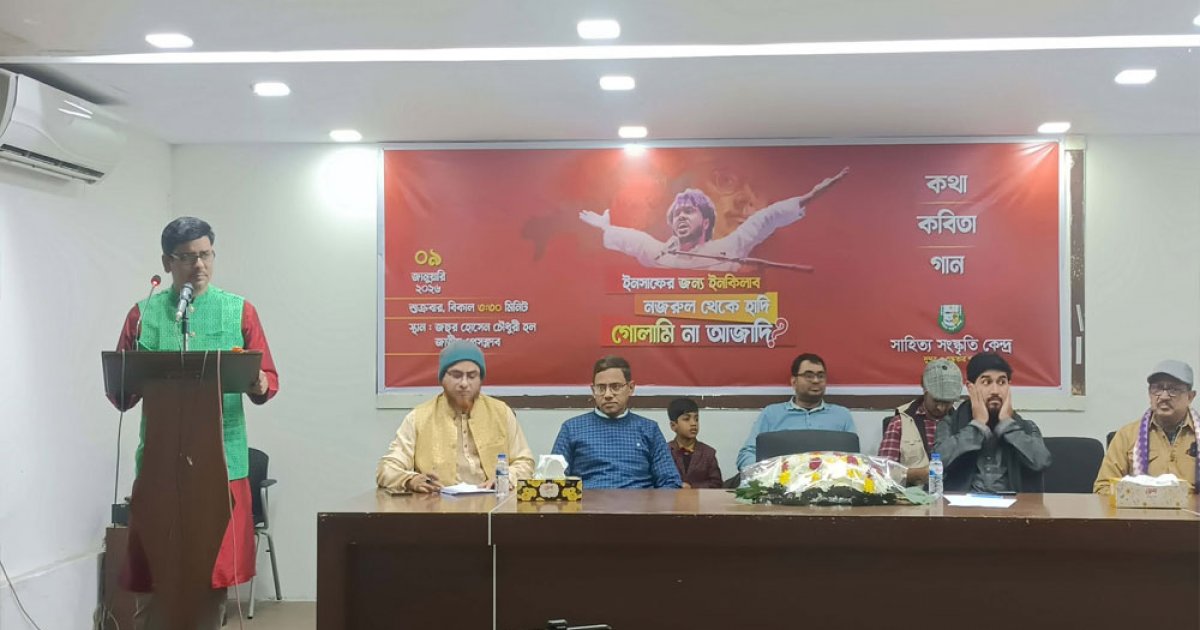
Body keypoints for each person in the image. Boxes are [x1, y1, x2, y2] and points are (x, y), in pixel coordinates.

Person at [110, 217, 280, 630]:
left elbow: (268, 379)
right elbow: (121, 390)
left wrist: (259, 381)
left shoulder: (239, 310)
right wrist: (125, 384)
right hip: (160, 464)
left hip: (222, 464)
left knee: (209, 576)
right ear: (167, 262)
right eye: (187, 257)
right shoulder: (143, 314)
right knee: (155, 571)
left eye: (205, 255)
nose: (199, 265)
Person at [579, 167, 849, 271]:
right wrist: (605, 227)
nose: (681, 217)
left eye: (689, 211)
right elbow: (632, 239)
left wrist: (808, 197)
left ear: (706, 221)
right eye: (677, 213)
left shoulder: (728, 249)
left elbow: (766, 218)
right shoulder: (657, 252)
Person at [377, 340, 534, 493]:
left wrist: (505, 477)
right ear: (442, 378)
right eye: (456, 375)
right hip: (437, 505)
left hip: (492, 503)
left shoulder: (501, 412)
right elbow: (387, 468)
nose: (464, 383)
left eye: (472, 376)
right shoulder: (419, 417)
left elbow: (525, 462)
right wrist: (410, 480)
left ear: (480, 379)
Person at [551, 356, 682, 489]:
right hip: (589, 500)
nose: (608, 394)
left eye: (616, 387)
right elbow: (553, 481)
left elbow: (670, 481)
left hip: (638, 500)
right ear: (593, 390)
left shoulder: (649, 429)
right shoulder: (572, 429)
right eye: (601, 388)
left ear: (630, 388)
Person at [934, 352, 1052, 493]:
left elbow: (1042, 462)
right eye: (986, 382)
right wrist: (977, 425)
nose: (995, 391)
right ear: (971, 388)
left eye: (1001, 382)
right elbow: (937, 464)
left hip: (1014, 506)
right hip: (963, 506)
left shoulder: (1026, 427)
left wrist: (1008, 425)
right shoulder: (950, 424)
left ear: (1008, 387)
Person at [736, 353, 856, 470]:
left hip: (829, 480)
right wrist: (766, 472)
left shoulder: (841, 415)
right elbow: (747, 454)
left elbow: (854, 460)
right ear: (794, 382)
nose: (816, 380)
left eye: (820, 376)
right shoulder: (771, 414)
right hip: (780, 480)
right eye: (809, 375)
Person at [1094, 360, 1197, 494]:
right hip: (1139, 507)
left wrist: (1183, 497)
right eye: (1157, 388)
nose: (1164, 397)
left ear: (1190, 396)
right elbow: (1103, 488)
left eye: (1173, 390)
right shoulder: (1127, 435)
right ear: (1149, 394)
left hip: (1192, 507)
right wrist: (1141, 496)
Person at [878, 359, 961, 486]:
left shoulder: (963, 424)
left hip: (954, 493)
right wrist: (917, 475)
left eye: (947, 402)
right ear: (924, 387)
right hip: (910, 495)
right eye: (936, 400)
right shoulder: (900, 423)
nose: (941, 408)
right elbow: (883, 472)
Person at [667, 398, 723, 489]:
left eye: (696, 419)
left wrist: (692, 488)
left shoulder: (708, 453)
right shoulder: (665, 452)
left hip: (702, 498)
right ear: (673, 426)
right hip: (672, 497)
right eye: (686, 419)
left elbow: (716, 484)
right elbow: (659, 481)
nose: (693, 423)